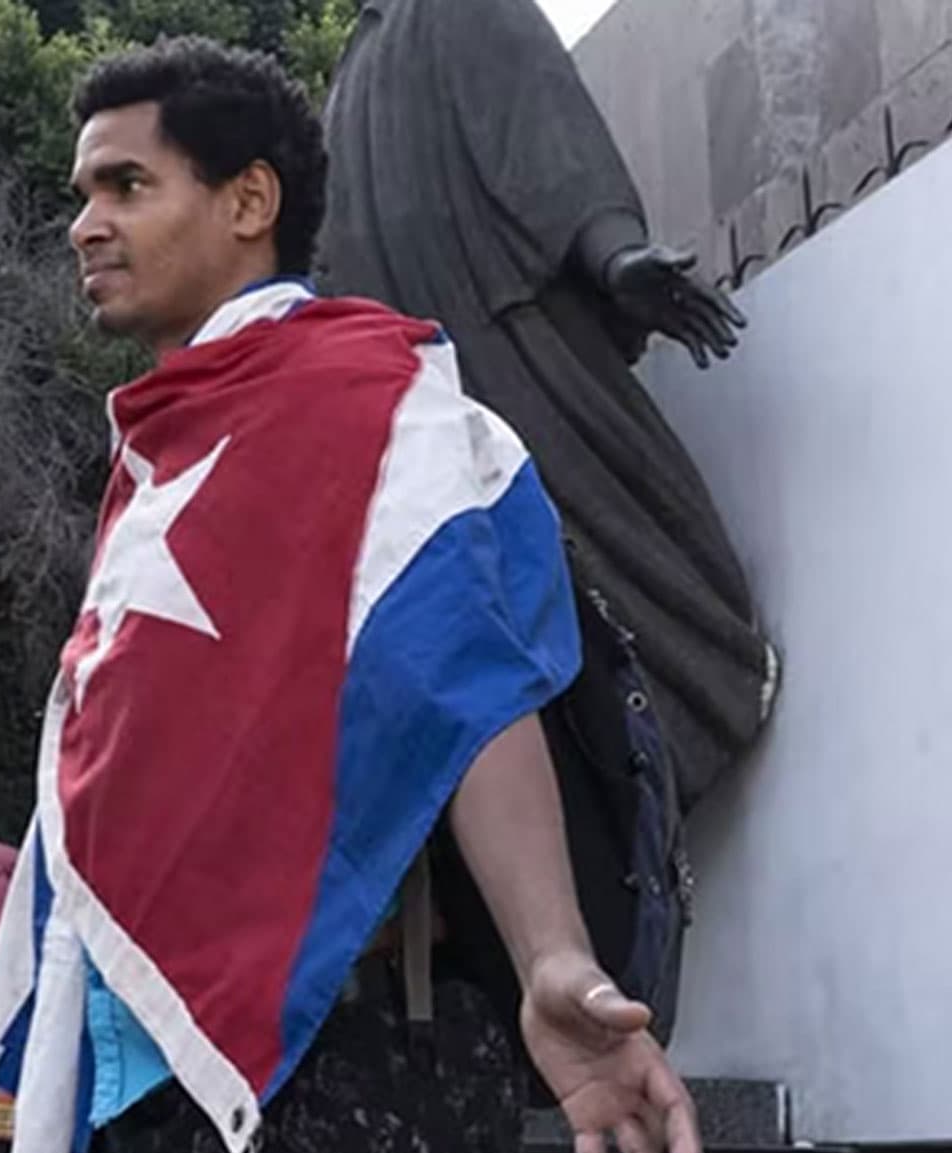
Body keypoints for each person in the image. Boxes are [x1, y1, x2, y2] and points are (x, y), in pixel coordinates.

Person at [0, 37, 704, 1153]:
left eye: (127, 184)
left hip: (356, 1073)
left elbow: (464, 669)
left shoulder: (373, 402)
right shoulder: (164, 454)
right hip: (147, 1107)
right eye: (83, 190)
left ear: (248, 201)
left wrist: (554, 953)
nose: (85, 222)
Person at [319, 0, 776, 813]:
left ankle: (689, 697)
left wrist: (614, 255)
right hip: (418, 406)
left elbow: (542, 134)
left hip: (510, 347)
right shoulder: (354, 71)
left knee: (605, 549)